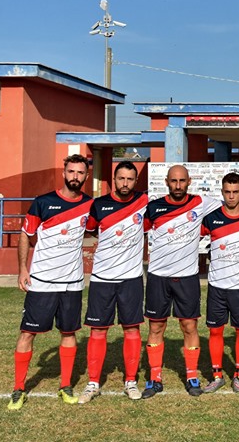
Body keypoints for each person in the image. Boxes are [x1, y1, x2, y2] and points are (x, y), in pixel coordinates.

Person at [142, 165, 239, 399]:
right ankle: (154, 377)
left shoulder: (201, 202)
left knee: (189, 327)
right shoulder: (153, 208)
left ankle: (192, 376)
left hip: (187, 277)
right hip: (158, 277)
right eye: (174, 181)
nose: (178, 185)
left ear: (189, 181)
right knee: (155, 327)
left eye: (182, 180)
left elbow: (232, 204)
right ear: (167, 181)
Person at [8, 154, 93, 410]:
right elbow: (26, 235)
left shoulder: (90, 205)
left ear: (86, 177)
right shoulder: (43, 202)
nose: (75, 177)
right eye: (71, 172)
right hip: (42, 281)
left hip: (72, 283)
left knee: (69, 332)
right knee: (27, 333)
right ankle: (19, 388)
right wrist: (23, 269)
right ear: (63, 173)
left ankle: (65, 385)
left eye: (80, 173)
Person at [78, 161, 148, 404]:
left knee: (131, 329)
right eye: (121, 178)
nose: (125, 183)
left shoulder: (144, 202)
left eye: (130, 179)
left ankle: (130, 381)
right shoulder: (98, 205)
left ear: (135, 181)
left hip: (131, 279)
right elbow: (90, 230)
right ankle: (93, 383)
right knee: (98, 330)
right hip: (102, 279)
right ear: (114, 179)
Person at [200, 172, 239, 393]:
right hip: (217, 285)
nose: (231, 196)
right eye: (227, 192)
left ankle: (238, 375)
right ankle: (217, 375)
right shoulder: (211, 217)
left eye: (235, 192)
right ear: (222, 192)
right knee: (216, 331)